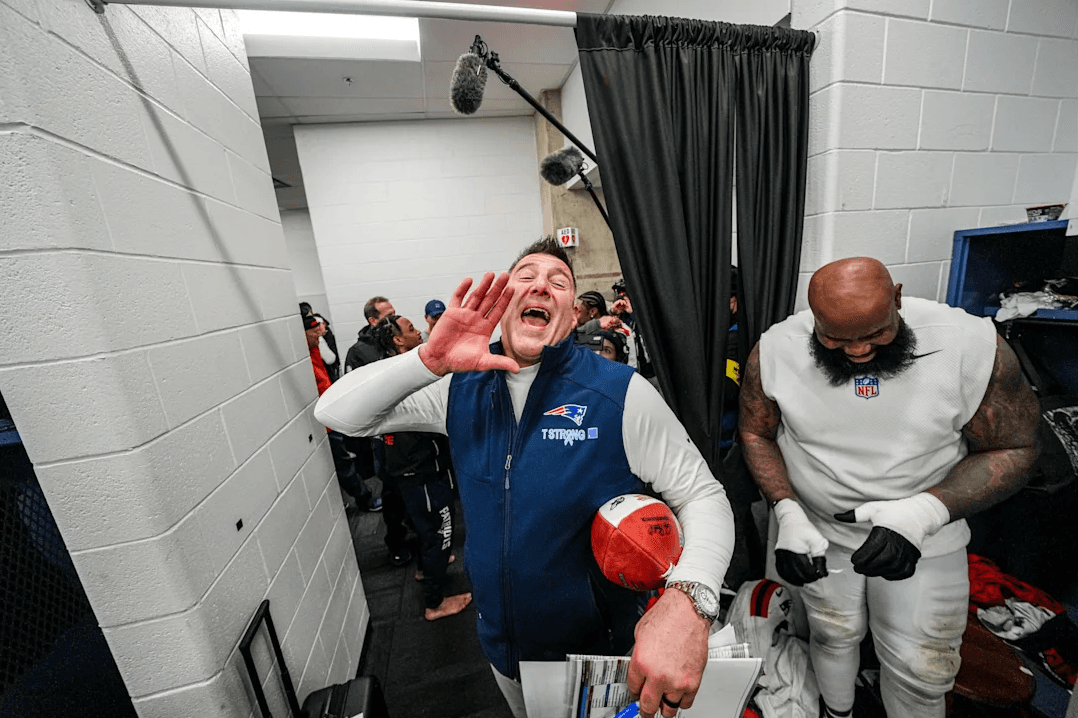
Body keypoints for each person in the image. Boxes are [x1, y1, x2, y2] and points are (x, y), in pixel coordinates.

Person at [316, 237, 734, 718]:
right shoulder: (457, 386)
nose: (542, 285)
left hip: (597, 654)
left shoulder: (619, 393)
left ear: (573, 315)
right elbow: (339, 414)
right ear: (503, 301)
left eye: (559, 283)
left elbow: (703, 494)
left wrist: (691, 600)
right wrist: (428, 360)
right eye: (527, 276)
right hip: (501, 649)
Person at [738, 257, 1040, 718]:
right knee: (833, 633)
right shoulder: (775, 350)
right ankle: (839, 713)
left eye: (876, 334)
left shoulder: (970, 345)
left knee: (922, 667)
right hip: (821, 532)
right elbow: (757, 432)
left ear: (898, 298)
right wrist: (787, 511)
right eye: (835, 339)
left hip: (928, 537)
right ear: (813, 318)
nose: (858, 351)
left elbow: (1016, 447)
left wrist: (924, 513)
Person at [370, 314, 472, 621]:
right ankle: (435, 603)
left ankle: (425, 569)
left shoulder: (394, 370)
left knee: (425, 528)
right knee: (439, 533)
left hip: (409, 467)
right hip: (420, 470)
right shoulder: (406, 377)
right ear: (398, 341)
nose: (419, 332)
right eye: (412, 329)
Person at [302, 314, 376, 513]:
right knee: (343, 463)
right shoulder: (302, 358)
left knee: (342, 460)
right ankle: (365, 498)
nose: (319, 335)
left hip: (329, 414)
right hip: (321, 422)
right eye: (314, 332)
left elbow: (331, 360)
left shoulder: (315, 349)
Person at [344, 296, 396, 374]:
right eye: (389, 316)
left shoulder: (398, 339)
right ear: (373, 321)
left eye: (394, 314)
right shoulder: (357, 352)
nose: (395, 319)